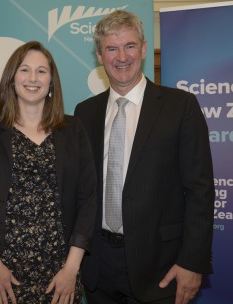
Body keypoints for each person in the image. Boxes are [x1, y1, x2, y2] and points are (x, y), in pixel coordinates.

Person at [74, 10, 214, 304]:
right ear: (100, 55)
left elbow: (200, 190)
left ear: (144, 49)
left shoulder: (180, 106)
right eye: (111, 48)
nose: (121, 56)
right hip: (98, 266)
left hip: (161, 268)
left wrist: (192, 261)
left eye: (129, 46)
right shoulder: (85, 112)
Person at [0, 41, 97, 304]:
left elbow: (88, 199)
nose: (32, 78)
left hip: (59, 274)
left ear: (51, 82)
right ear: (12, 78)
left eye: (41, 71)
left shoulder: (73, 129)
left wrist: (72, 268)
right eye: (24, 70)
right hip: (2, 272)